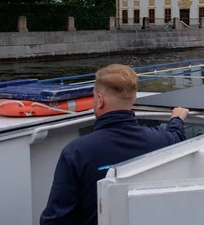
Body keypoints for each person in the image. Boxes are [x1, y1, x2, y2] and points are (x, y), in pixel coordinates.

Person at [40, 64, 189, 225]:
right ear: (133, 99)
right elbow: (176, 136)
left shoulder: (76, 152)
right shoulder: (159, 140)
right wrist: (177, 119)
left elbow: (55, 220)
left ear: (100, 101)